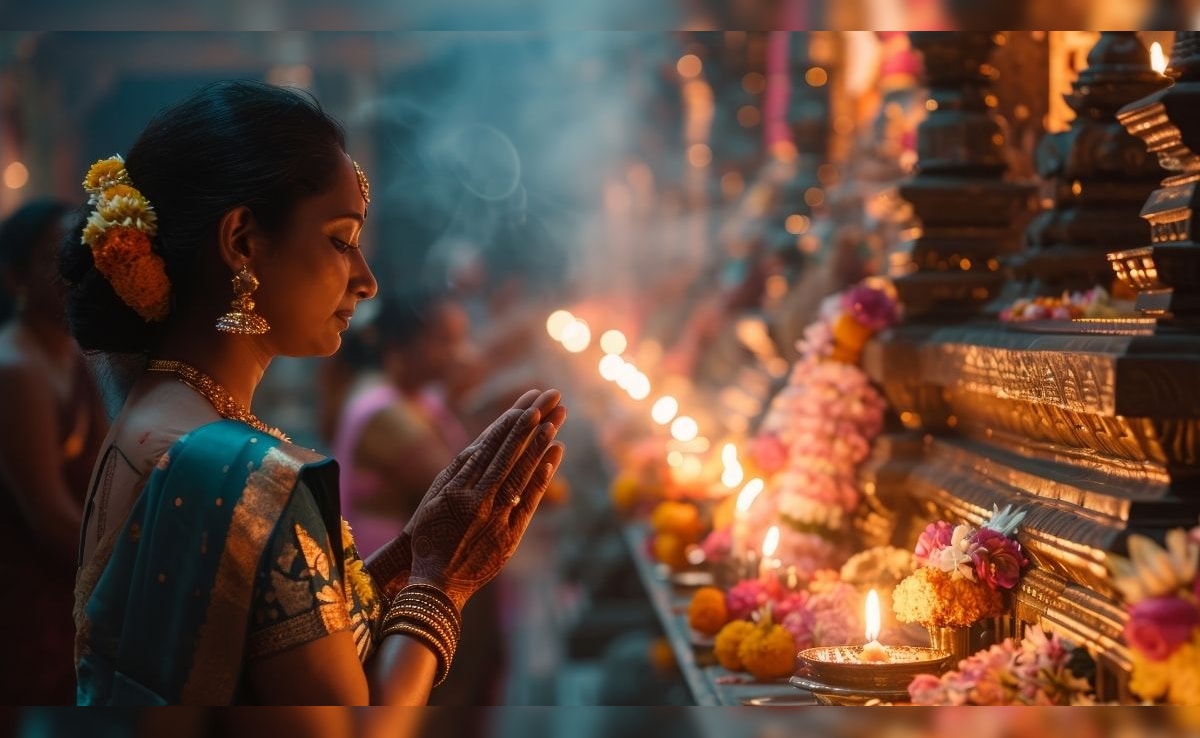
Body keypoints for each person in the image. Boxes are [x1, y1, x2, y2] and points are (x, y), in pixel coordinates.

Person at [60, 80, 567, 707]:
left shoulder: (152, 414)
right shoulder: (248, 476)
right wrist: (442, 584)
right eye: (340, 240)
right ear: (242, 242)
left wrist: (415, 547)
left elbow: (277, 646)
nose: (367, 281)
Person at [0, 199, 108, 704]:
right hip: (31, 597)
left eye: (77, 250)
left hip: (73, 584)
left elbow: (106, 473)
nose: (70, 268)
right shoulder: (17, 368)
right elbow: (48, 515)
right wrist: (129, 572)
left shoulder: (70, 351)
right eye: (53, 256)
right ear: (14, 277)